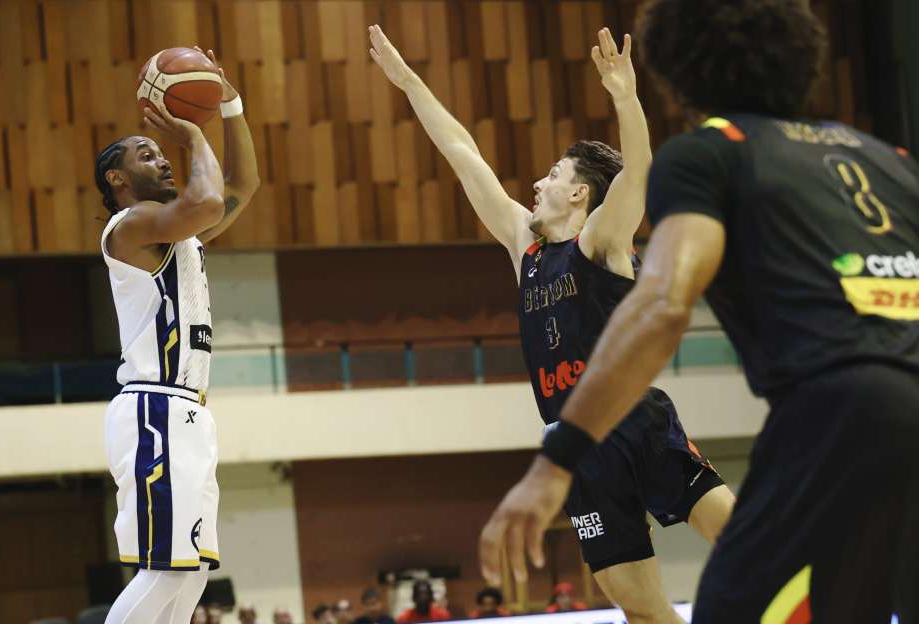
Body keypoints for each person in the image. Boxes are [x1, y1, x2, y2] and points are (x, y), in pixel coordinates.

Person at [478, 0, 919, 622]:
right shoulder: (889, 160)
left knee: (750, 601)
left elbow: (661, 308)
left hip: (836, 409)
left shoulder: (710, 154)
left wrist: (558, 457)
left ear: (681, 74)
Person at [369, 23, 735, 624]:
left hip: (635, 424)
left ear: (581, 195)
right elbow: (462, 153)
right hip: (574, 444)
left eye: (553, 176)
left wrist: (625, 97)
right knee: (641, 610)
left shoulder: (601, 241)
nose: (538, 184)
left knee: (742, 542)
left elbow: (638, 173)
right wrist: (409, 82)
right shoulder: (527, 249)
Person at [97, 46, 260, 624]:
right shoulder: (131, 227)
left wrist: (230, 104)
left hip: (188, 411)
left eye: (163, 152)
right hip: (154, 409)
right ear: (117, 178)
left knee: (191, 575)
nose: (163, 160)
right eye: (147, 154)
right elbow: (210, 198)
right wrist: (192, 133)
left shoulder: (178, 233)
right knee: (165, 570)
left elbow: (244, 184)